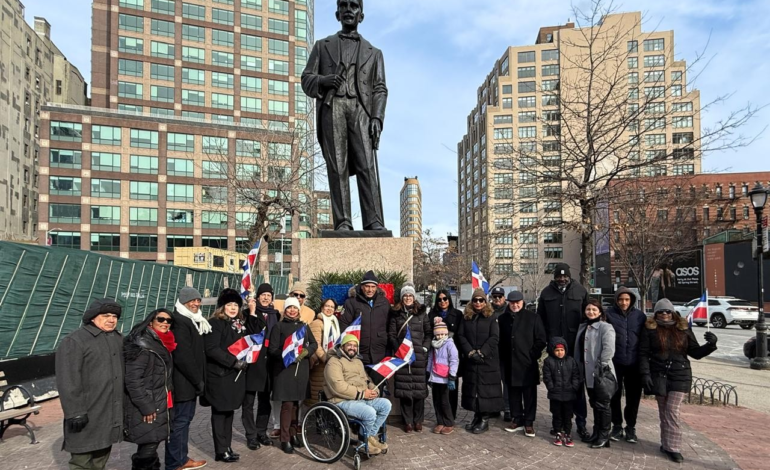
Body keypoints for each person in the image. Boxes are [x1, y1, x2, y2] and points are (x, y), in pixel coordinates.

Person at [301, 0, 388, 231]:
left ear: (361, 15)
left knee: (366, 165)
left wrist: (377, 118)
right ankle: (343, 222)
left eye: (354, 6)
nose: (349, 9)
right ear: (337, 13)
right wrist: (324, 80)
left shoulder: (375, 53)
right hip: (333, 107)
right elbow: (306, 79)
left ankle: (374, 220)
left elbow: (380, 88)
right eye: (344, 5)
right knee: (337, 166)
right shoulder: (322, 46)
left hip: (362, 110)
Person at [639, 299, 718, 463]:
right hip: (659, 374)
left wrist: (711, 345)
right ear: (656, 314)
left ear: (673, 312)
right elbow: (643, 354)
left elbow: (695, 352)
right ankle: (665, 444)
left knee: (672, 411)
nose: (664, 315)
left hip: (679, 374)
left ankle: (673, 447)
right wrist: (645, 374)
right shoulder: (650, 329)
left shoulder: (683, 329)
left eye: (667, 311)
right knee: (663, 412)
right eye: (661, 312)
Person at [56, 298, 124, 470]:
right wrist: (75, 412)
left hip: (109, 412)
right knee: (82, 460)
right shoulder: (75, 341)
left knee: (101, 456)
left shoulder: (117, 338)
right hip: (86, 413)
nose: (111, 319)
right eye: (106, 315)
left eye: (115, 316)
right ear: (93, 317)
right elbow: (67, 379)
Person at [537, 263, 590, 438]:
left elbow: (587, 316)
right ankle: (558, 424)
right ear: (554, 277)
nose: (561, 279)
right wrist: (545, 342)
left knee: (577, 386)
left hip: (575, 347)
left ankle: (581, 423)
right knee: (557, 388)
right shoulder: (546, 293)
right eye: (558, 276)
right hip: (554, 348)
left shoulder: (581, 291)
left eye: (564, 276)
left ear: (569, 276)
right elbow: (540, 321)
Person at [123, 308, 176, 470]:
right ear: (151, 321)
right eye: (161, 319)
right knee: (149, 444)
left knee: (151, 442)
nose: (165, 323)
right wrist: (146, 406)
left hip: (160, 399)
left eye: (168, 321)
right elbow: (132, 380)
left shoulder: (160, 342)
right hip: (148, 403)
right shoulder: (144, 345)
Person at [202, 289, 249, 463]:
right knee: (220, 413)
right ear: (222, 307)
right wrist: (233, 362)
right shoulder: (215, 323)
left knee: (229, 412)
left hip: (233, 376)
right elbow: (212, 349)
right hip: (220, 375)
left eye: (235, 304)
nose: (232, 308)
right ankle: (220, 450)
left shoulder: (238, 323)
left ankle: (226, 447)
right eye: (229, 304)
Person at [324, 334, 390, 455]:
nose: (352, 348)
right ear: (342, 346)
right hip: (341, 400)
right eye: (349, 345)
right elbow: (337, 386)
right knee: (370, 412)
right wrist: (362, 394)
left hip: (361, 398)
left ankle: (369, 437)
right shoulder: (333, 362)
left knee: (386, 404)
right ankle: (363, 441)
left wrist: (373, 389)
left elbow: (366, 379)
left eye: (355, 346)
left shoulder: (358, 361)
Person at [268, 297, 318, 454]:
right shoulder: (278, 326)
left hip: (301, 368)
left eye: (295, 308)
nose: (292, 310)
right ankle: (284, 439)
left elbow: (314, 344)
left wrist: (306, 352)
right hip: (285, 370)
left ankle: (293, 433)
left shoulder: (304, 326)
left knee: (297, 404)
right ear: (285, 310)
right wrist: (287, 354)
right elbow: (272, 350)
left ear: (299, 310)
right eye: (289, 308)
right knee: (287, 405)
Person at [166, 287, 209, 470]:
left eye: (198, 300)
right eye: (192, 300)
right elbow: (183, 356)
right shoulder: (180, 321)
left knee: (184, 420)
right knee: (180, 422)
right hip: (183, 383)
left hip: (188, 382)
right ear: (183, 301)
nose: (196, 303)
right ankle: (177, 461)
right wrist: (197, 380)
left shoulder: (191, 319)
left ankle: (180, 458)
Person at [499, 291, 546, 437]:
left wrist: (533, 355)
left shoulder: (533, 317)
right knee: (513, 393)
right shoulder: (502, 319)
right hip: (510, 362)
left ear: (522, 302)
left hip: (527, 363)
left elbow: (541, 339)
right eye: (512, 302)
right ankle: (516, 418)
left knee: (529, 394)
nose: (515, 305)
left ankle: (529, 422)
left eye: (517, 302)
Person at [456, 288, 504, 434]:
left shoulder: (491, 316)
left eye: (481, 300)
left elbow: (494, 337)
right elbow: (461, 335)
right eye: (475, 300)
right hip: (471, 360)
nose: (478, 303)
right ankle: (477, 415)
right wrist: (470, 352)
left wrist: (482, 352)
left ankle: (484, 418)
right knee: (474, 389)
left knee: (486, 390)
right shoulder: (467, 317)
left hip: (487, 360)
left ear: (485, 301)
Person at [387, 283, 432, 433]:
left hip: (418, 356)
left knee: (419, 391)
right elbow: (392, 335)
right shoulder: (396, 314)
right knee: (405, 390)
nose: (408, 298)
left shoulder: (421, 314)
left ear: (414, 297)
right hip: (403, 356)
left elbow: (428, 333)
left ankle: (418, 420)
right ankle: (407, 421)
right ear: (402, 298)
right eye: (405, 295)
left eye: (410, 295)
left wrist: (424, 348)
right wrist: (398, 349)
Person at [606, 287, 646, 443]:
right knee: (614, 397)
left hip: (634, 364)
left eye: (627, 300)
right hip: (615, 363)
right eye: (621, 299)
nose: (624, 302)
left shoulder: (640, 316)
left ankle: (630, 427)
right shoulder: (609, 315)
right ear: (616, 300)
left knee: (633, 398)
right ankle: (616, 426)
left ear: (632, 301)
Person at [242, 283, 280, 450]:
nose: (265, 298)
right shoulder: (248, 313)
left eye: (269, 295)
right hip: (252, 361)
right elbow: (250, 332)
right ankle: (250, 435)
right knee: (248, 402)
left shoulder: (276, 315)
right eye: (263, 295)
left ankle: (261, 432)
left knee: (265, 401)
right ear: (257, 297)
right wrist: (251, 313)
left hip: (268, 362)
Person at [576, 299, 616, 449]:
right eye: (588, 309)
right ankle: (597, 432)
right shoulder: (583, 327)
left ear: (600, 312)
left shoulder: (605, 327)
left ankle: (604, 435)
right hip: (587, 373)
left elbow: (608, 350)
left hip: (601, 374)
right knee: (594, 403)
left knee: (603, 405)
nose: (590, 312)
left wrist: (601, 367)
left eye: (594, 309)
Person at [340, 271, 390, 370]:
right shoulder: (352, 302)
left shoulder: (384, 302)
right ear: (362, 286)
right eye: (367, 286)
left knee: (377, 384)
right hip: (359, 352)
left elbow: (389, 325)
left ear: (376, 287)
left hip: (379, 352)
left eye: (373, 287)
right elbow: (344, 324)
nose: (370, 290)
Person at [429, 289, 463, 417]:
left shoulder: (457, 314)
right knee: (437, 391)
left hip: (451, 354)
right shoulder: (432, 314)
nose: (442, 301)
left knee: (451, 389)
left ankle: (450, 416)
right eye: (439, 299)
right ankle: (440, 417)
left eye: (445, 299)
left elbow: (460, 335)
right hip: (437, 355)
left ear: (449, 299)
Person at [543, 337, 582, 448]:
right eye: (557, 350)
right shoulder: (549, 361)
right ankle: (558, 432)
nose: (560, 353)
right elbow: (547, 377)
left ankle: (567, 434)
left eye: (562, 350)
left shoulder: (570, 361)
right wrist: (551, 387)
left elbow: (575, 375)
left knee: (568, 416)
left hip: (569, 394)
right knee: (557, 415)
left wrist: (574, 387)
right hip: (555, 394)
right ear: (552, 351)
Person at [307, 298, 341, 407]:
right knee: (317, 391)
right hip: (321, 363)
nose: (329, 309)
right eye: (327, 306)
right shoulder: (317, 323)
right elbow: (315, 345)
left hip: (331, 362)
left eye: (332, 307)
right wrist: (326, 358)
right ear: (322, 307)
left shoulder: (334, 322)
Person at [427, 322, 459, 435]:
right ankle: (440, 421)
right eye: (438, 334)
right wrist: (428, 373)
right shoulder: (433, 344)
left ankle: (449, 422)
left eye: (442, 334)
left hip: (445, 377)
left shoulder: (450, 344)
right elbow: (431, 359)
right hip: (435, 376)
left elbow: (454, 360)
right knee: (436, 401)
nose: (440, 336)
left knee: (445, 401)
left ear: (446, 334)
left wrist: (452, 376)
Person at [488, 286, 510, 421]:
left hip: (505, 351)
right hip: (491, 352)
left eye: (499, 296)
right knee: (493, 381)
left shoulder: (509, 310)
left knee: (506, 381)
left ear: (504, 298)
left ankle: (507, 408)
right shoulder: (487, 311)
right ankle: (495, 408)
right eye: (494, 297)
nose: (497, 299)